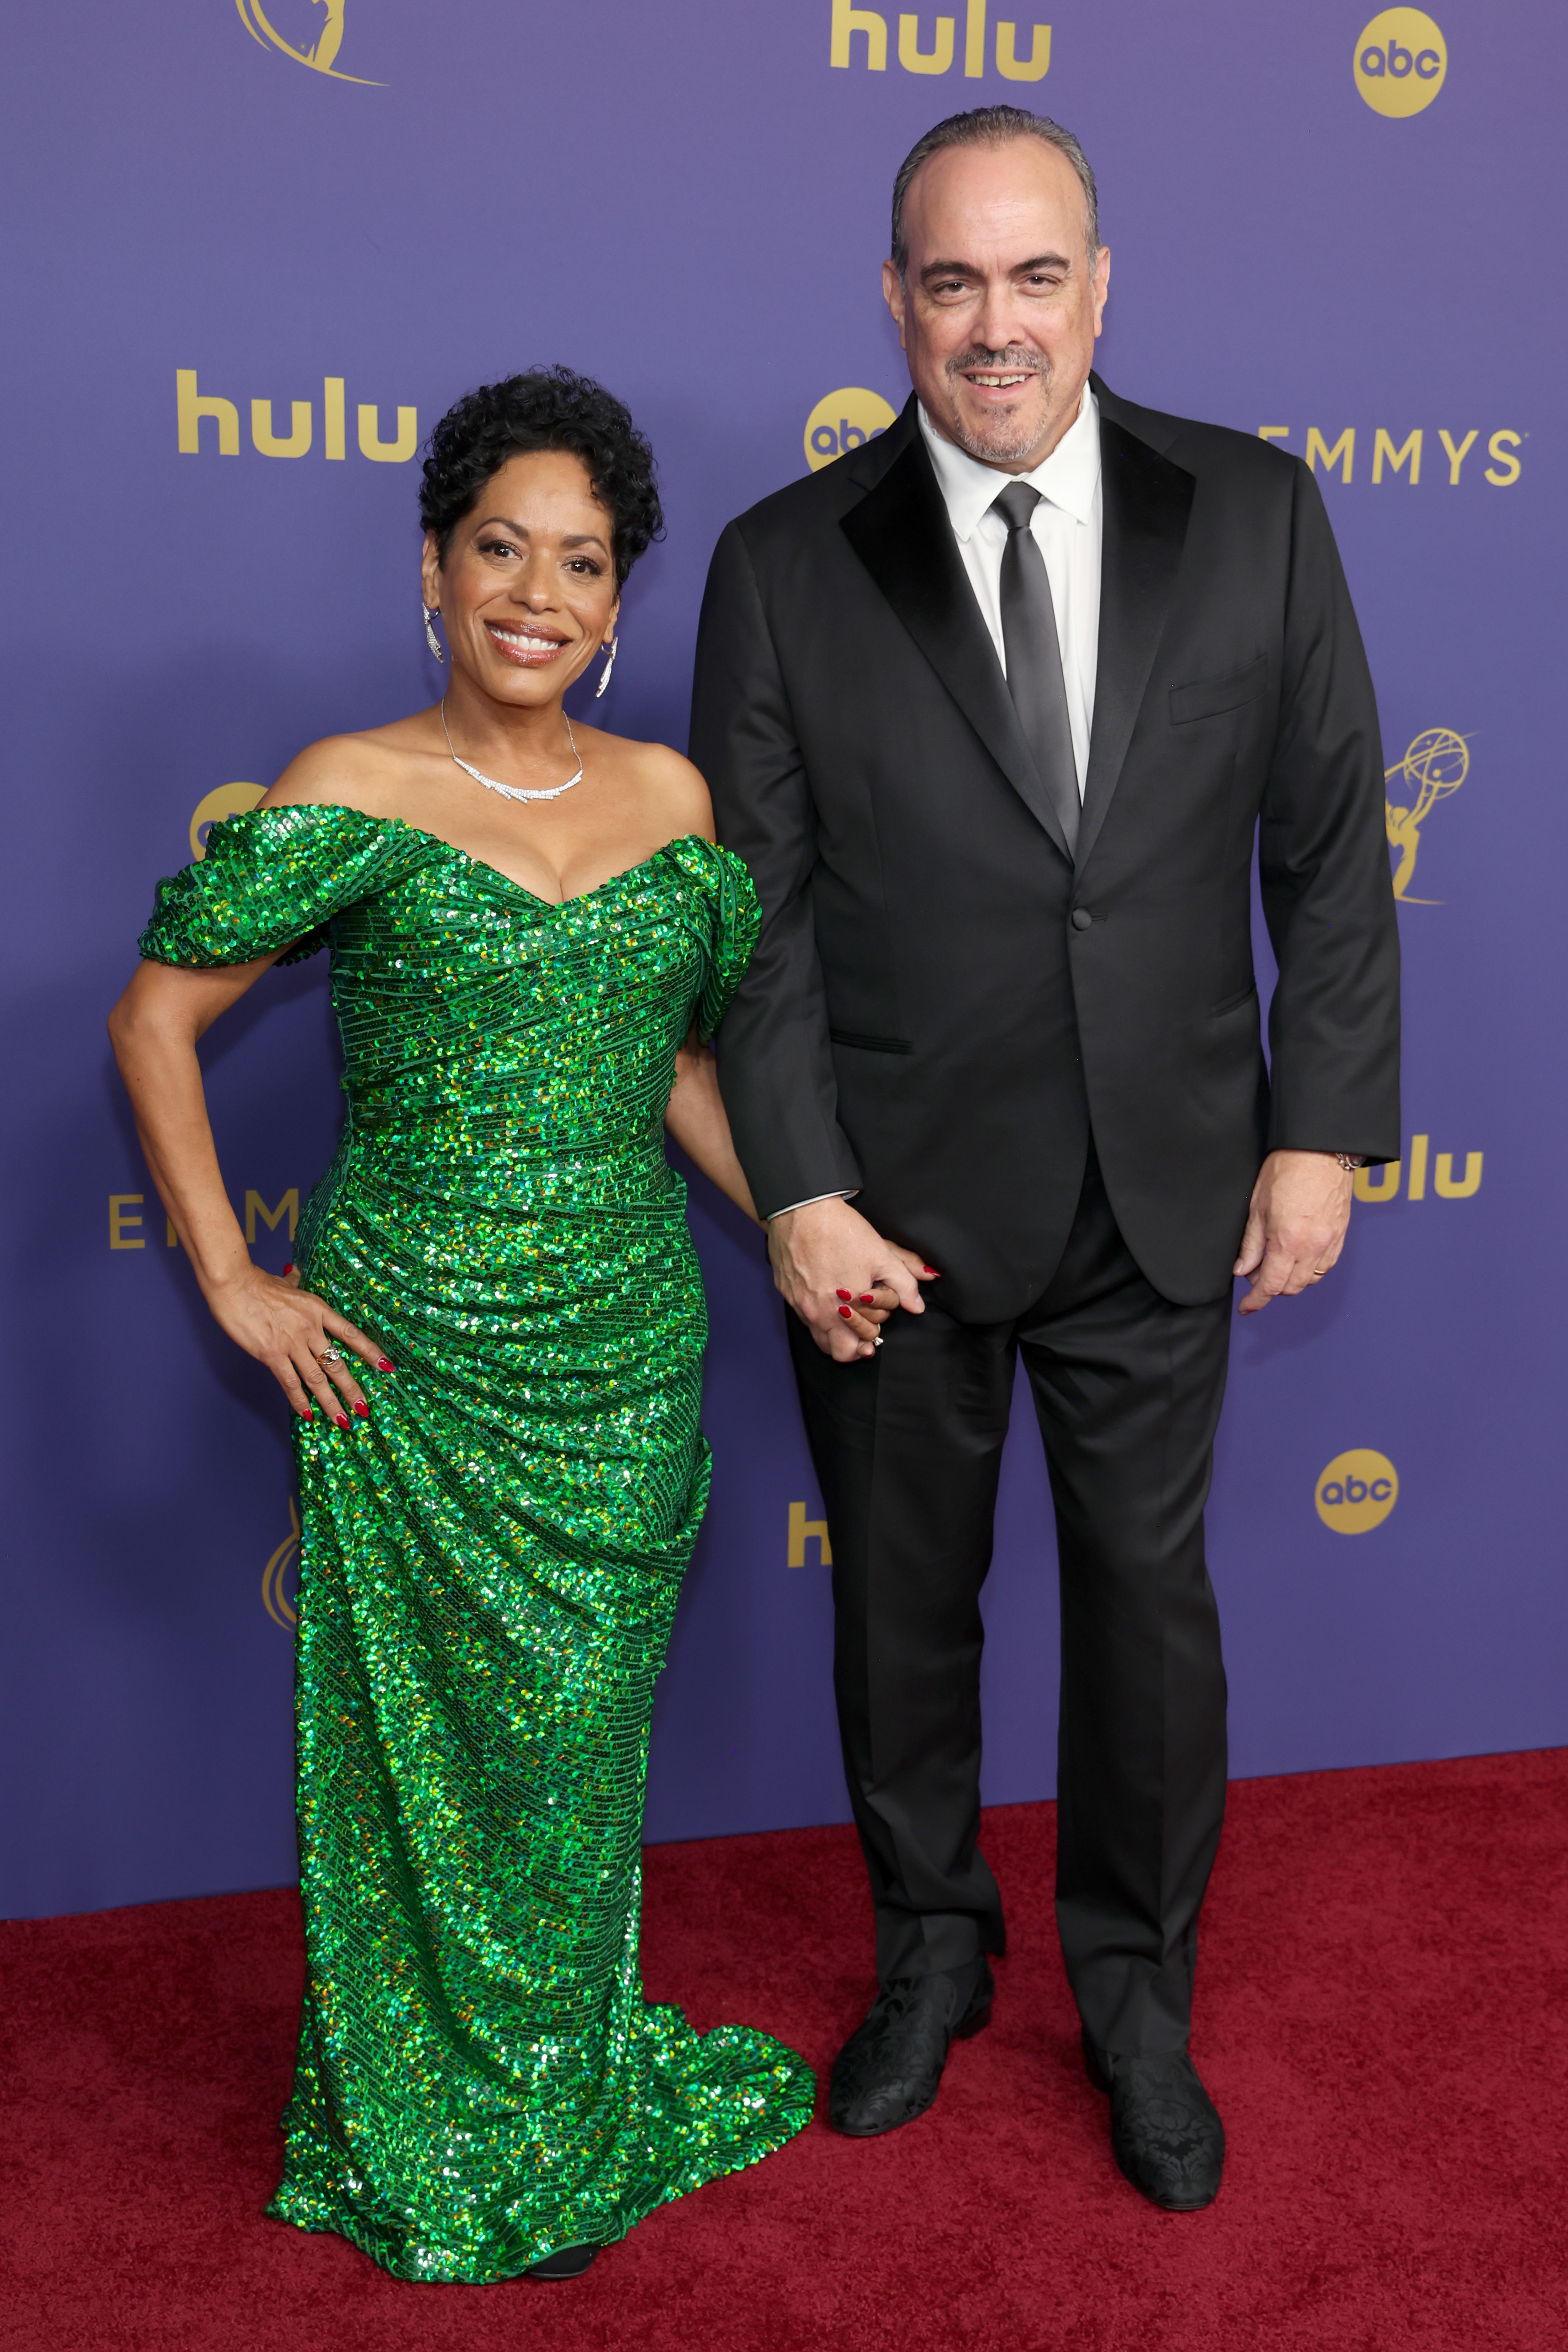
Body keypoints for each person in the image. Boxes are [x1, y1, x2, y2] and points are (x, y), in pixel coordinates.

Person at [691, 108, 1399, 2212]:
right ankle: (928, 1954)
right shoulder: (780, 562)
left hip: (1164, 1182)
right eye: (948, 281)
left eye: (1033, 277)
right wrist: (799, 1184)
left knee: (1147, 1624)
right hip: (886, 1215)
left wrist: (1327, 1130)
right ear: (894, 299)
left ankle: (1139, 2000)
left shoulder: (1257, 515)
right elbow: (759, 918)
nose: (994, 327)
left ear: (1101, 283)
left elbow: (1336, 849)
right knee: (901, 1618)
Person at [109, 369, 814, 2282]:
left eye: (580, 563)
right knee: (421, 1758)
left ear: (618, 600)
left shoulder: (670, 798)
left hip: (621, 1357)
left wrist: (802, 1227)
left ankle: (563, 2087)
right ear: (433, 566)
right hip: (410, 1360)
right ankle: (433, 2114)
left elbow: (671, 1062)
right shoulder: (349, 785)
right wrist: (234, 1282)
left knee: (575, 1754)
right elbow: (153, 1020)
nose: (538, 592)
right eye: (500, 546)